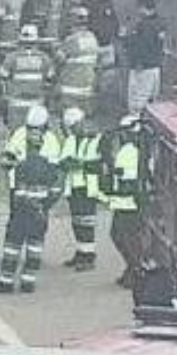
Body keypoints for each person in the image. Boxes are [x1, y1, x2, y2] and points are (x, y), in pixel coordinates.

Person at [0, 104, 62, 293]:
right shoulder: (47, 144)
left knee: (13, 243)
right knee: (36, 243)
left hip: (22, 203)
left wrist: (7, 162)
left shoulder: (25, 162)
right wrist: (46, 204)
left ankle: (6, 280)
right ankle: (28, 281)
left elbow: (7, 162)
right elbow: (55, 180)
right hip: (41, 204)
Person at [59, 107, 105, 272]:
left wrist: (81, 164)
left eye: (77, 125)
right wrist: (73, 163)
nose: (75, 129)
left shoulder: (97, 140)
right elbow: (63, 161)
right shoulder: (70, 140)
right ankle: (81, 251)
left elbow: (99, 164)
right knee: (77, 221)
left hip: (88, 187)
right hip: (74, 186)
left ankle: (89, 256)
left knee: (87, 222)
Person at [106, 114, 147, 288]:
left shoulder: (132, 151)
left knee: (127, 237)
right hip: (122, 201)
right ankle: (132, 267)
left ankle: (136, 270)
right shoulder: (128, 149)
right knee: (117, 235)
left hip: (129, 202)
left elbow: (130, 180)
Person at [0, 24, 53, 130]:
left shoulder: (11, 57)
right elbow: (49, 80)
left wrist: (5, 98)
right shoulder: (44, 58)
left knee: (16, 134)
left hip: (16, 103)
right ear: (36, 41)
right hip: (37, 102)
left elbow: (3, 78)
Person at [52, 6, 100, 116]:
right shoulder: (92, 38)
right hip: (87, 88)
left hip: (70, 89)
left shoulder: (71, 40)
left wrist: (54, 49)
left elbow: (58, 60)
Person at [123, 0, 166, 116]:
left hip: (142, 69)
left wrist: (126, 38)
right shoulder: (160, 23)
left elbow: (140, 46)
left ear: (142, 7)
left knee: (137, 103)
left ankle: (134, 128)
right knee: (152, 102)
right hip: (155, 67)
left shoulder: (145, 25)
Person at [82, 0, 119, 70]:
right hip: (91, 46)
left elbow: (114, 22)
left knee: (108, 72)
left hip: (106, 44)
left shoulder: (107, 4)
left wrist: (111, 33)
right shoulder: (84, 5)